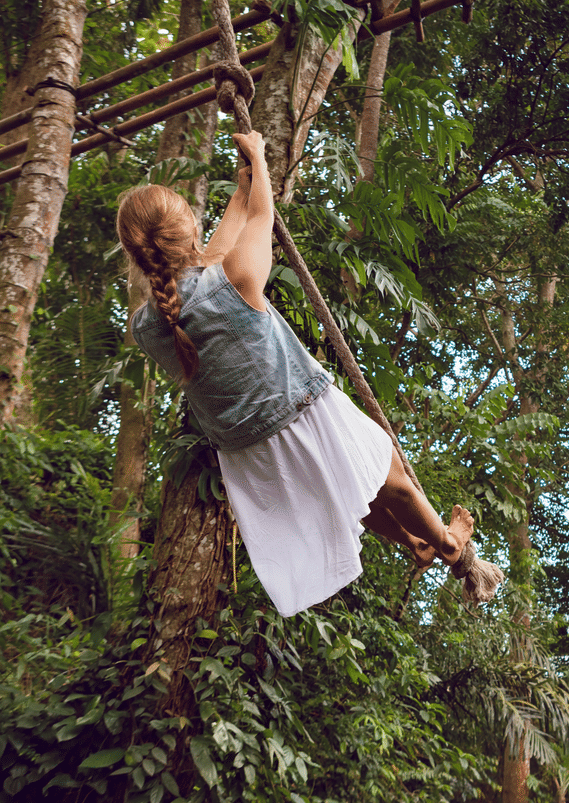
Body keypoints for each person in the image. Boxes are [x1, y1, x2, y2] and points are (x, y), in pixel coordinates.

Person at [116, 130, 477, 617]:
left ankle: (411, 542)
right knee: (385, 472)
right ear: (186, 231)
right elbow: (262, 221)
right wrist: (261, 165)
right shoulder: (236, 280)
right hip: (299, 406)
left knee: (344, 489)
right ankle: (445, 542)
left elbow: (213, 259)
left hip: (247, 450)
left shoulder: (146, 326)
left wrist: (242, 190)